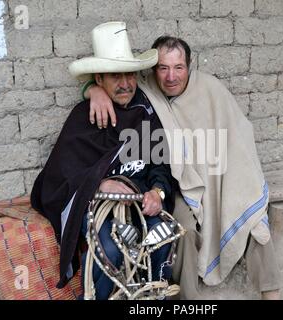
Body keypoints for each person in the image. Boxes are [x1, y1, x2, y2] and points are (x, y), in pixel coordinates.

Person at [83, 35, 282, 300]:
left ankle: (272, 294)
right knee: (182, 230)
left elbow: (238, 139)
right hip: (175, 182)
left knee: (253, 217)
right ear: (154, 70)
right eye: (163, 68)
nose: (171, 77)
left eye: (179, 67)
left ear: (190, 66)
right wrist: (92, 91)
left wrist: (230, 179)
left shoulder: (211, 90)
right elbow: (111, 85)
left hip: (219, 176)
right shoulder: (146, 90)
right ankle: (188, 297)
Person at [30, 22, 176, 299]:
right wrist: (98, 183)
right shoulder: (83, 117)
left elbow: (161, 164)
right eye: (114, 76)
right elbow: (58, 178)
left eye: (130, 75)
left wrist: (157, 192)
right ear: (98, 80)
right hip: (97, 206)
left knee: (161, 238)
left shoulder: (145, 112)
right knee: (108, 249)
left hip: (139, 203)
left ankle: (152, 298)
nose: (125, 84)